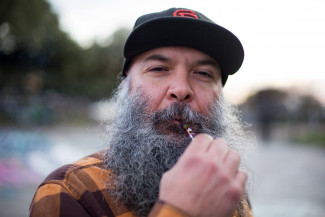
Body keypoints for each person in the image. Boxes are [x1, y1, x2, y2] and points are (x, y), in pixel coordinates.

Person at [30, 8, 254, 217]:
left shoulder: (227, 185)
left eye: (203, 73)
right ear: (127, 87)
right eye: (158, 69)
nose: (182, 89)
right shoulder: (72, 192)